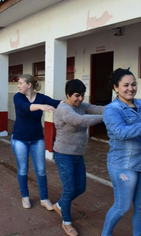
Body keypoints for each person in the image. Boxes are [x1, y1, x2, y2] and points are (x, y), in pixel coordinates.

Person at [101, 68, 141, 236]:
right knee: (122, 206)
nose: (131, 88)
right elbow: (121, 133)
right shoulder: (112, 109)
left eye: (133, 84)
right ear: (116, 87)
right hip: (123, 165)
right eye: (126, 85)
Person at [52, 79, 104, 236]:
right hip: (63, 155)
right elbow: (79, 121)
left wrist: (118, 107)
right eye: (76, 95)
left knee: (80, 187)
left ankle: (60, 205)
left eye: (82, 95)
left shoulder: (82, 106)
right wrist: (107, 117)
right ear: (67, 95)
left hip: (77, 155)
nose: (80, 99)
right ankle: (66, 222)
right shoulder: (63, 109)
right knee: (69, 189)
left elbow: (99, 108)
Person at [11, 74, 60, 211]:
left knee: (41, 170)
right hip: (20, 139)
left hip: (37, 139)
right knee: (23, 169)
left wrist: (70, 101)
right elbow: (25, 107)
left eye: (20, 83)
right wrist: (41, 106)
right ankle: (25, 196)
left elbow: (56, 102)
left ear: (29, 85)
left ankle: (44, 199)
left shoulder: (41, 98)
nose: (18, 85)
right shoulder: (18, 97)